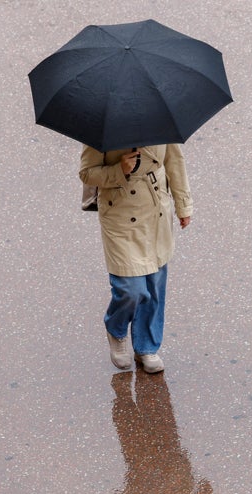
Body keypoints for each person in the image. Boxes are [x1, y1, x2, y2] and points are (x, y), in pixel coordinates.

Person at [79, 145, 193, 373]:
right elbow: (87, 173)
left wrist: (183, 204)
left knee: (153, 285)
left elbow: (175, 162)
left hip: (155, 210)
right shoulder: (103, 127)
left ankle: (146, 347)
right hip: (120, 215)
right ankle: (116, 328)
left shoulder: (161, 116)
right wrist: (120, 169)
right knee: (131, 289)